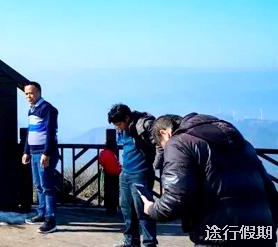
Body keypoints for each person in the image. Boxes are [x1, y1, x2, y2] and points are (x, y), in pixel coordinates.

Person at [142, 113, 278, 246]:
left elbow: (175, 199)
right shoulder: (242, 143)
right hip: (260, 232)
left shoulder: (179, 142)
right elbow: (270, 190)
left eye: (163, 146)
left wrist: (151, 209)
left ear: (164, 133)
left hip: (219, 233)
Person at [107, 103, 160, 247]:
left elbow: (159, 144)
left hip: (141, 173)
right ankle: (130, 241)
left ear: (127, 118)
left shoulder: (142, 125)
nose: (118, 127)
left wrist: (156, 163)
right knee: (127, 209)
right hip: (126, 173)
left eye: (119, 124)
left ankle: (149, 243)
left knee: (144, 210)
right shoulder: (123, 129)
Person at [21, 81, 60, 234]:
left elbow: (51, 132)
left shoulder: (48, 109)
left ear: (38, 92)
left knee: (47, 186)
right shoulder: (32, 110)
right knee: (38, 185)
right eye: (26, 94)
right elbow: (30, 132)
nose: (28, 96)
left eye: (30, 93)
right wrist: (26, 151)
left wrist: (47, 153)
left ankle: (51, 220)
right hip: (34, 152)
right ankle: (42, 213)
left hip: (45, 153)